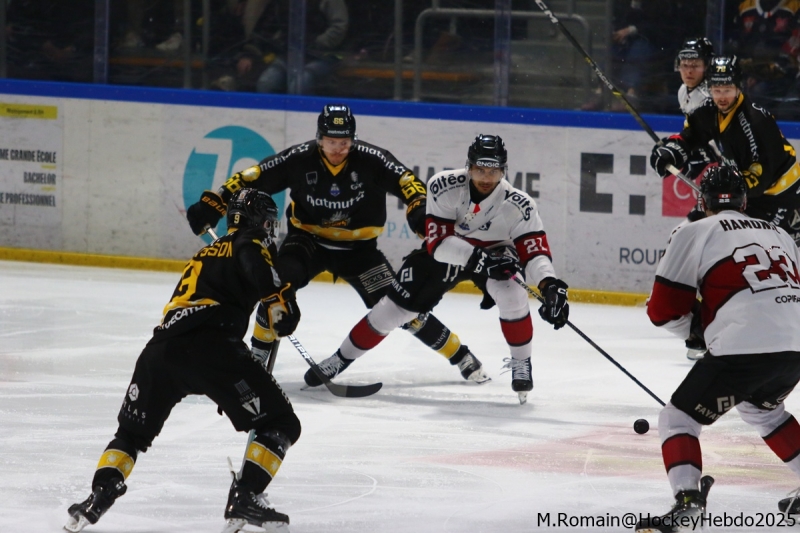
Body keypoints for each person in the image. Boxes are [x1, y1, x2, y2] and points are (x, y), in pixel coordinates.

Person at [186, 104, 491, 385]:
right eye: (331, 141)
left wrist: (421, 210)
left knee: (402, 305)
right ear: (319, 139)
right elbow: (253, 176)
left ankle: (460, 355)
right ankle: (256, 362)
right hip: (306, 242)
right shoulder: (299, 158)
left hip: (360, 252)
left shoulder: (373, 159)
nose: (338, 148)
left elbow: (408, 184)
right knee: (275, 288)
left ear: (353, 140)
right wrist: (216, 201)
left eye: (344, 142)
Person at [64, 189, 302, 533]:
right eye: (268, 223)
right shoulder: (250, 242)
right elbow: (256, 265)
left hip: (160, 351)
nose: (270, 230)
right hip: (212, 346)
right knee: (281, 422)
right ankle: (246, 495)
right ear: (260, 222)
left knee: (129, 436)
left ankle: (97, 497)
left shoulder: (206, 252)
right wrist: (279, 299)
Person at [305, 135, 570, 405]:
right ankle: (340, 359)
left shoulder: (519, 204)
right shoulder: (444, 185)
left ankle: (521, 363)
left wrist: (549, 284)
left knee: (514, 294)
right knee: (393, 310)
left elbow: (534, 251)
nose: (486, 177)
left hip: (496, 254)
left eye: (493, 171)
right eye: (480, 169)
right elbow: (439, 245)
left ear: (504, 170)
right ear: (469, 166)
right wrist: (479, 258)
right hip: (451, 251)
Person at [638, 166, 800, 532]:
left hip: (743, 345)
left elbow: (663, 310)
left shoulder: (694, 230)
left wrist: (697, 332)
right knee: (764, 412)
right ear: (744, 202)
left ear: (702, 202)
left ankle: (687, 500)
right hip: (796, 344)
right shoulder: (781, 234)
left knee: (678, 419)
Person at [650, 55, 800, 244]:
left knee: (755, 250)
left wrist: (727, 189)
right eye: (716, 90)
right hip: (746, 196)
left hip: (779, 197)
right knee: (695, 235)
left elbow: (761, 175)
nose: (721, 97)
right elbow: (691, 135)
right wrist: (673, 151)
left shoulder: (756, 121)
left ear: (738, 88)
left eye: (727, 90)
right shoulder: (711, 111)